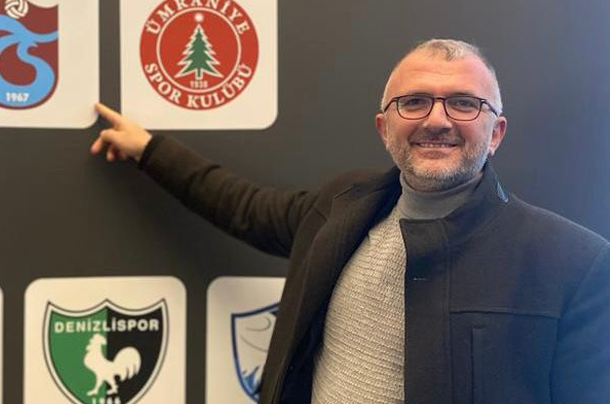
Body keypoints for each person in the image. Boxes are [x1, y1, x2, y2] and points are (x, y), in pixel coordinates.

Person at [90, 39, 610, 404]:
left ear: (496, 133)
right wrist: (149, 149)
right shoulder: (341, 205)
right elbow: (242, 206)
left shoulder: (573, 264)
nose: (437, 119)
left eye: (463, 103)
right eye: (414, 102)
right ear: (384, 128)